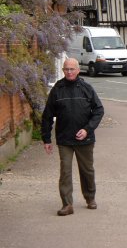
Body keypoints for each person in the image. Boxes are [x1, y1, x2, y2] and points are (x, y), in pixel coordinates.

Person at [41, 58, 104, 216]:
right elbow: (47, 116)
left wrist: (87, 129)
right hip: (65, 139)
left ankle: (90, 198)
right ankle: (67, 204)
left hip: (85, 139)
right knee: (65, 172)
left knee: (87, 171)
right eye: (66, 69)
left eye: (72, 69)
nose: (69, 72)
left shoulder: (86, 88)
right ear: (63, 70)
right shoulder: (57, 89)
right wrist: (46, 139)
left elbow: (99, 110)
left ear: (77, 70)